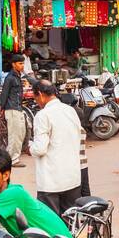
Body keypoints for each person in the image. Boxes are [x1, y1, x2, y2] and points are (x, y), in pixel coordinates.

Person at [30, 79, 84, 217]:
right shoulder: (71, 111)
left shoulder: (42, 115)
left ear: (40, 94)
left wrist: (30, 147)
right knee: (70, 223)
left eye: (35, 97)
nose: (36, 101)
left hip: (51, 181)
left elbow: (39, 149)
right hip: (72, 177)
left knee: (50, 225)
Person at [1, 56, 28, 167]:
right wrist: (2, 108)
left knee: (20, 134)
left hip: (17, 108)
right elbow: (4, 93)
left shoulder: (18, 76)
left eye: (23, 63)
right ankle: (13, 160)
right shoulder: (10, 78)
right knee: (14, 136)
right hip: (12, 109)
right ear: (13, 64)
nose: (22, 65)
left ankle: (10, 158)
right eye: (20, 63)